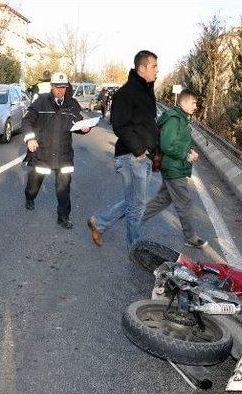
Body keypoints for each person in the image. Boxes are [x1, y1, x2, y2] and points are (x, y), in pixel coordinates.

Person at [87, 50, 159, 250]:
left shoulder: (146, 92)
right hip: (132, 157)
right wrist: (139, 150)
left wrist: (155, 150)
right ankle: (135, 249)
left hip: (143, 157)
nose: (156, 71)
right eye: (154, 67)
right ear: (142, 67)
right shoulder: (126, 92)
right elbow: (119, 124)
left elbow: (148, 125)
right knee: (136, 207)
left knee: (135, 203)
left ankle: (99, 222)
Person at [23, 72, 91, 229]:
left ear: (67, 87)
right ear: (51, 87)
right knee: (34, 183)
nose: (60, 90)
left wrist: (84, 129)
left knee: (63, 189)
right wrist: (30, 138)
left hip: (64, 154)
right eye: (57, 87)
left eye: (63, 87)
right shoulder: (41, 102)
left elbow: (77, 123)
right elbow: (27, 121)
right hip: (43, 153)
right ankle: (29, 197)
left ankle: (63, 217)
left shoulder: (72, 104)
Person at [141, 88, 207, 248]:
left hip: (174, 166)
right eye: (193, 103)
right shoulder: (174, 119)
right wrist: (185, 154)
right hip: (173, 168)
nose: (195, 106)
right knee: (185, 202)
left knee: (163, 199)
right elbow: (167, 144)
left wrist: (189, 150)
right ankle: (191, 238)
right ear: (183, 102)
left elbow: (179, 141)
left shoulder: (181, 118)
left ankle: (135, 219)